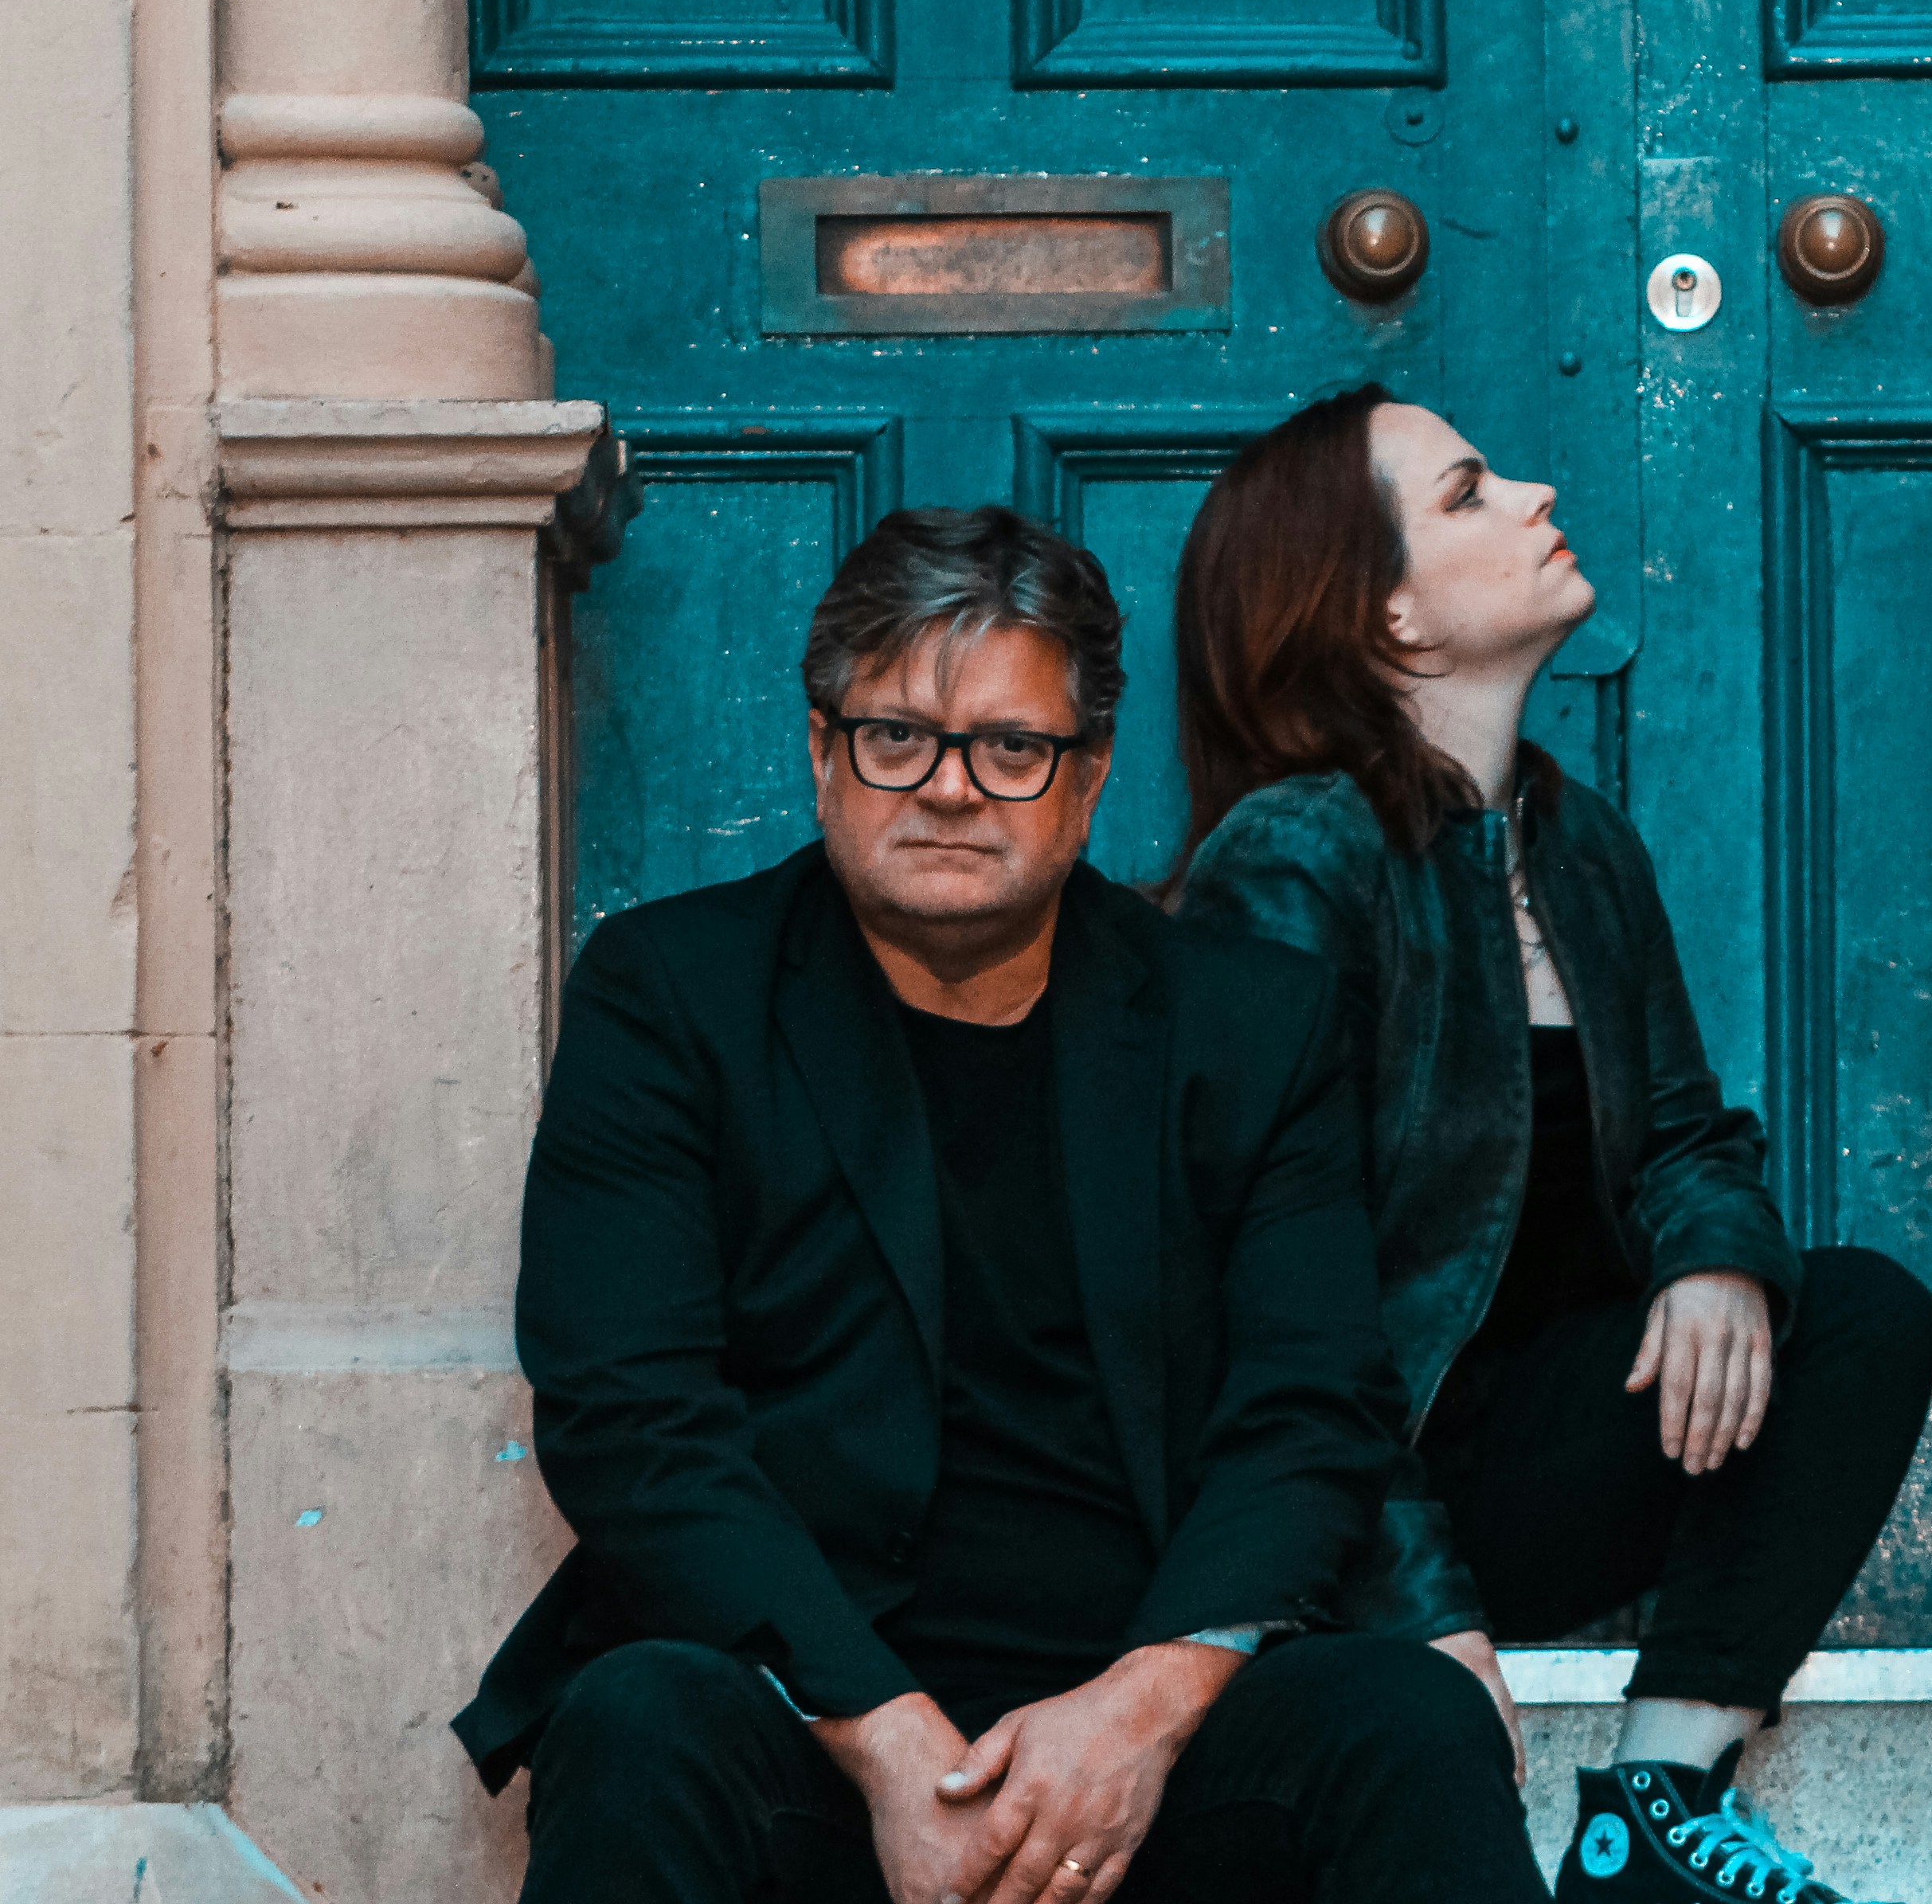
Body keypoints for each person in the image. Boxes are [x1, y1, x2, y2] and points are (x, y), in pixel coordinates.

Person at [455, 506, 1545, 1904]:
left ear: (1087, 784)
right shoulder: (672, 997)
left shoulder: (1245, 1023)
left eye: (1012, 750)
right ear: (820, 754)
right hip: (809, 1727)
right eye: (895, 735)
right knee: (639, 1715)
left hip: (1144, 1733)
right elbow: (630, 1419)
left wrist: (1138, 1716)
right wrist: (892, 1747)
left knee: (1406, 1722)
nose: (949, 788)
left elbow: (1311, 1409)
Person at [1167, 385, 1932, 1904]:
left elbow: (1686, 1132)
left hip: (1536, 1454)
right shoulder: (1293, 863)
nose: (1531, 490)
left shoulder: (1575, 843)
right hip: (1350, 1504)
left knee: (1856, 1314)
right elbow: (1276, 1309)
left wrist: (1718, 1256)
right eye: (1469, 493)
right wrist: (1416, 1610)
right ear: (1388, 621)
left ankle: (1657, 1803)